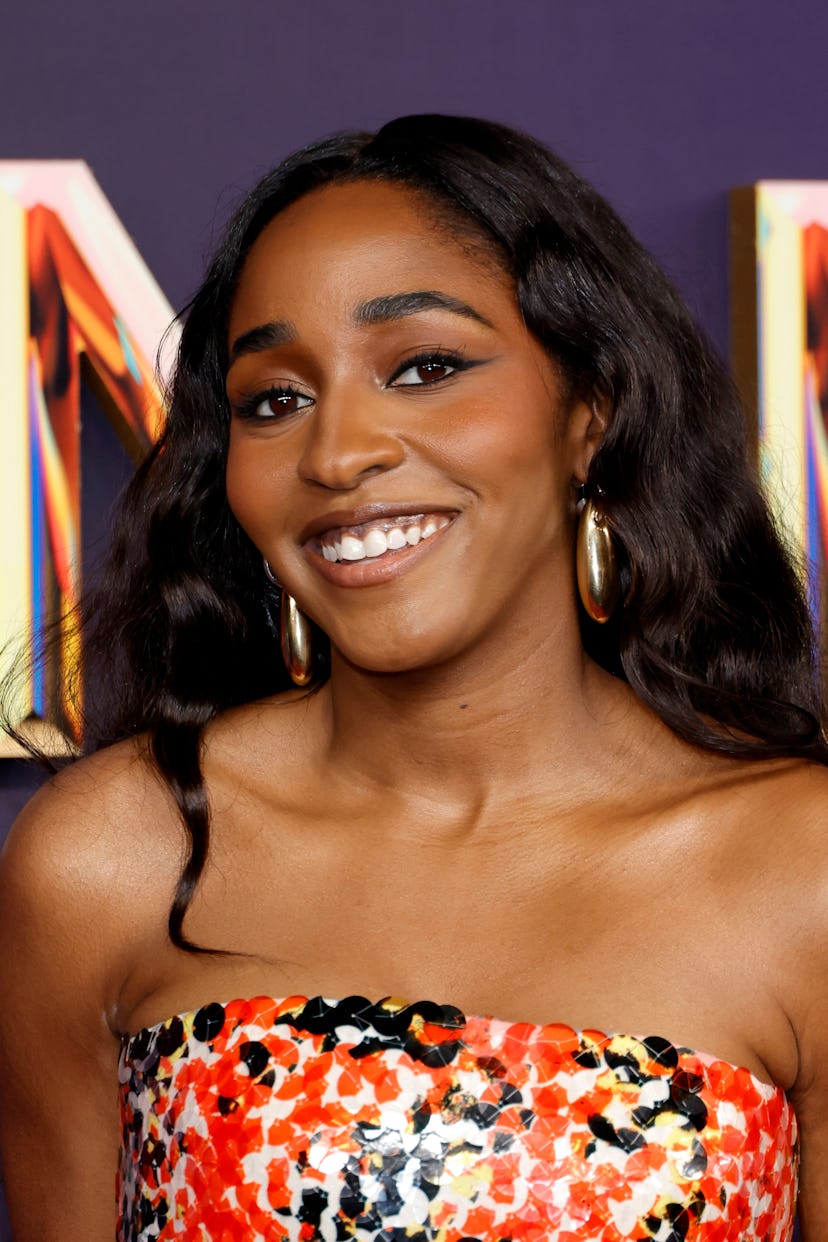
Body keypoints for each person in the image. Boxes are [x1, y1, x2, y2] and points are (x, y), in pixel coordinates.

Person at [0, 114, 825, 1241]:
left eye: (427, 367)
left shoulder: (805, 872)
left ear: (591, 412)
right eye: (274, 399)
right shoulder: (111, 862)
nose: (338, 453)